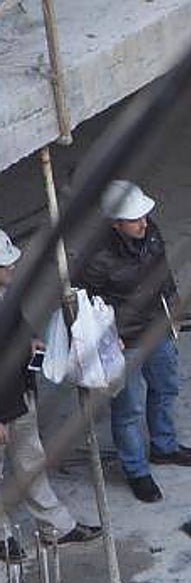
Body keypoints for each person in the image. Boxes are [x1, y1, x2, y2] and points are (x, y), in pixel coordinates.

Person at [83, 181, 191, 504]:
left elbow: (163, 273)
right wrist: (108, 339)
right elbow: (85, 306)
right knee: (128, 408)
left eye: (144, 216)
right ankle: (136, 469)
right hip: (125, 341)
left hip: (158, 327)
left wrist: (174, 305)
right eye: (135, 219)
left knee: (166, 388)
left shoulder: (149, 233)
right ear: (115, 224)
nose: (144, 222)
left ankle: (164, 447)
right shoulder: (95, 259)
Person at [0, 228, 102, 550]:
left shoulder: (6, 297)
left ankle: (55, 526)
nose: (13, 268)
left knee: (32, 463)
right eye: (6, 264)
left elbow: (18, 325)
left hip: (20, 396)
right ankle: (2, 538)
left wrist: (30, 341)